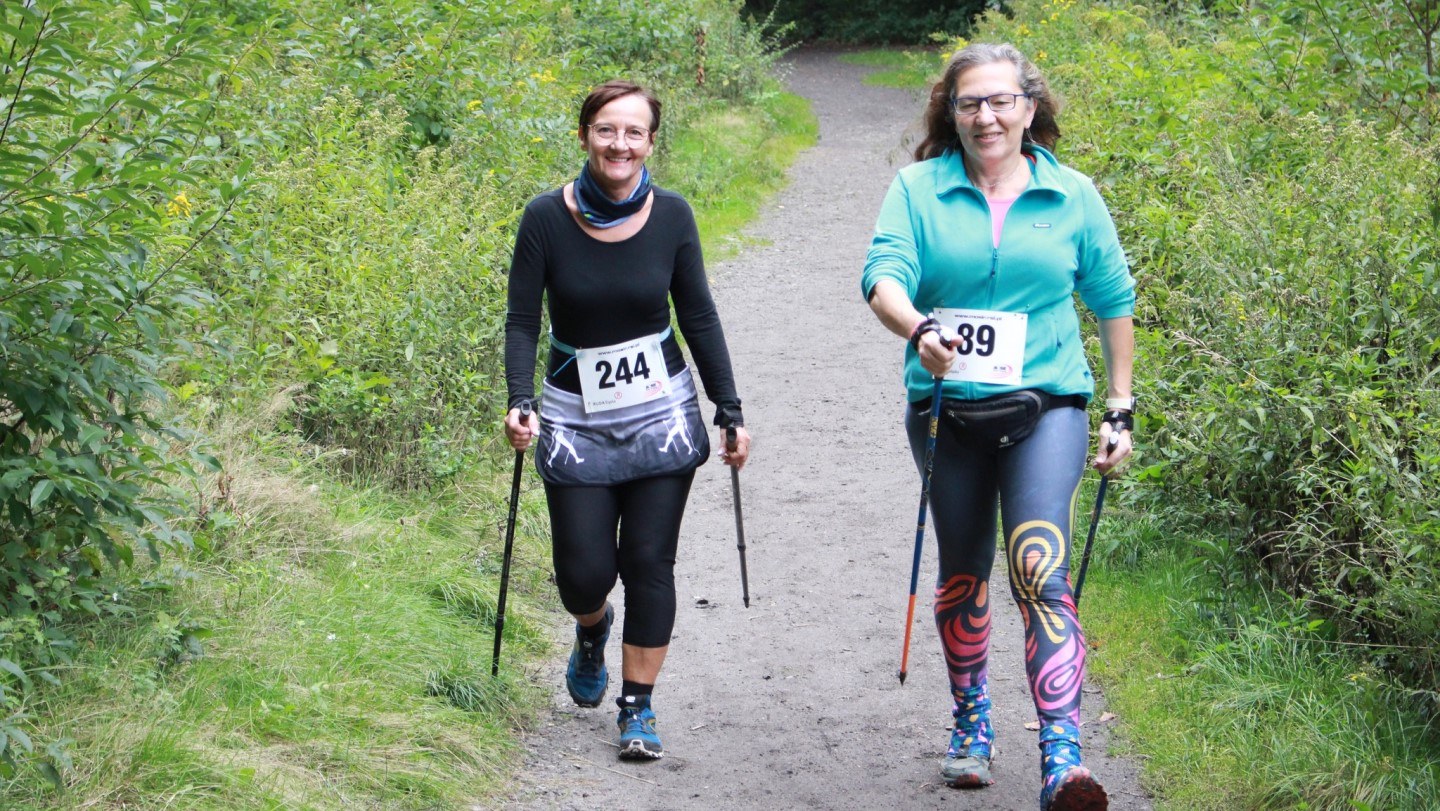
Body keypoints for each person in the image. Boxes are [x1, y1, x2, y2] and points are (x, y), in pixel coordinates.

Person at [861, 43, 1135, 811]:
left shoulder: (1072, 194)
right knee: (964, 568)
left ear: (1029, 107)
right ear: (950, 113)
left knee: (1039, 568)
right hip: (947, 408)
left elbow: (1113, 297)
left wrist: (1121, 405)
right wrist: (918, 330)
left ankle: (1063, 755)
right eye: (970, 103)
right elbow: (882, 275)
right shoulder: (918, 188)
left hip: (1047, 403)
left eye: (1000, 101)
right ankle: (972, 724)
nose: (986, 116)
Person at [503, 80, 750, 761]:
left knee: (649, 560)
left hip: (660, 415)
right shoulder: (544, 219)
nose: (620, 144)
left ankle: (636, 707)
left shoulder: (673, 216)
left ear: (650, 142)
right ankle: (592, 627)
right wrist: (517, 396)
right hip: (574, 414)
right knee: (582, 572)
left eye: (633, 132)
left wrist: (728, 408)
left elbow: (696, 314)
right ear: (584, 134)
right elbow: (525, 317)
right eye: (607, 130)